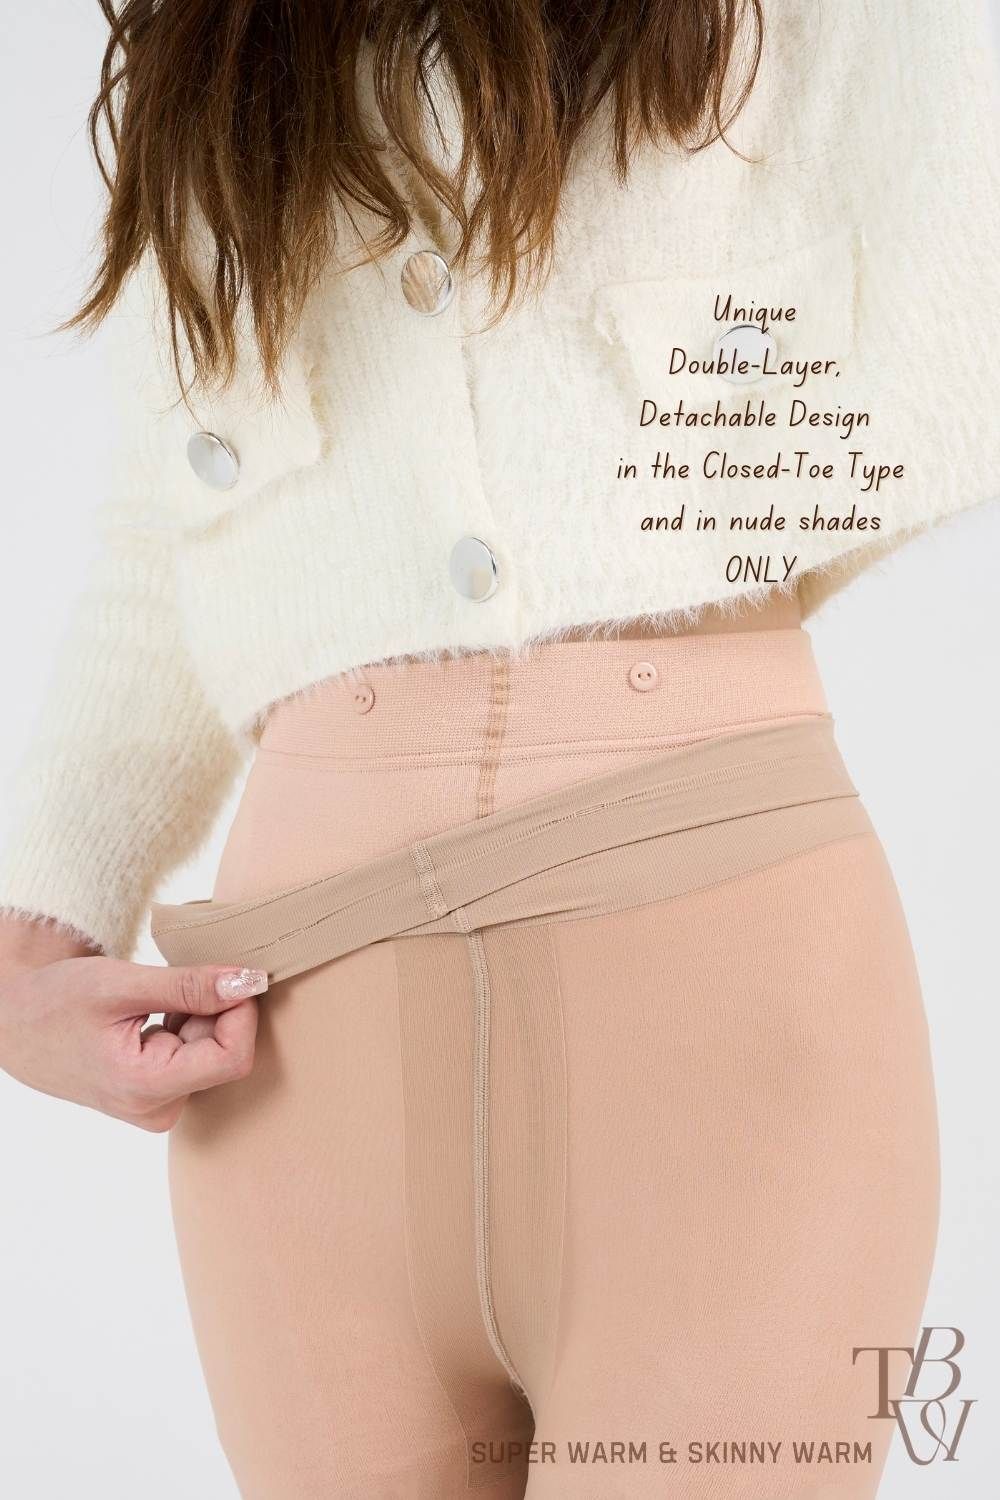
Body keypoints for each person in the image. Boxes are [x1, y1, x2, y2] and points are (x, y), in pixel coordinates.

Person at [1, 2, 997, 1496]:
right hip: (295, 1060)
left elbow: (947, 248)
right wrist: (30, 937)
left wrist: (711, 497)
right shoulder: (211, 29)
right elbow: (182, 514)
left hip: (706, 981)